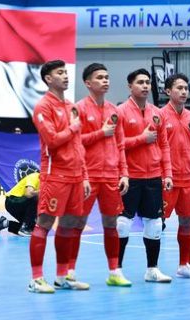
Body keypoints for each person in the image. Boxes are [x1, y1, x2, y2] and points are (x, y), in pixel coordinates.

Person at [29, 60, 92, 293]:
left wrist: (84, 176)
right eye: (60, 73)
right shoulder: (42, 107)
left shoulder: (71, 106)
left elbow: (79, 147)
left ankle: (62, 276)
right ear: (48, 78)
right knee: (44, 224)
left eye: (66, 72)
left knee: (68, 225)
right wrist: (74, 127)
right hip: (54, 175)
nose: (65, 76)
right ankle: (36, 279)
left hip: (76, 176)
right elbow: (53, 141)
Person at [75, 63, 132, 287]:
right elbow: (75, 143)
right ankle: (68, 271)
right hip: (88, 176)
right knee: (77, 224)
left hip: (110, 177)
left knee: (112, 224)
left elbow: (120, 145)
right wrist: (100, 133)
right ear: (88, 83)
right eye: (100, 77)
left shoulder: (114, 110)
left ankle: (114, 271)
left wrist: (124, 174)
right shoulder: (78, 109)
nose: (106, 81)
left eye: (107, 77)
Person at [117, 68, 173, 283]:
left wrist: (167, 173)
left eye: (148, 82)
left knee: (155, 224)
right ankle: (117, 270)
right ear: (130, 86)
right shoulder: (120, 112)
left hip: (153, 177)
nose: (145, 86)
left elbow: (164, 145)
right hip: (130, 177)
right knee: (123, 223)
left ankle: (152, 269)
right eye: (140, 82)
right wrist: (141, 138)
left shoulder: (157, 113)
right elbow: (117, 145)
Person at [160, 73, 190, 279]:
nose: (184, 92)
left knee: (187, 222)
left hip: (188, 180)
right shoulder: (159, 116)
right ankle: (153, 267)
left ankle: (184, 264)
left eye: (186, 88)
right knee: (158, 223)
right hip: (166, 180)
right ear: (168, 91)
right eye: (179, 88)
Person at [0, 171, 40, 237]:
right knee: (35, 198)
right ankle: (25, 227)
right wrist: (41, 192)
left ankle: (4, 223)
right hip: (12, 201)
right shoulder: (35, 176)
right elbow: (28, 194)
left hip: (22, 205)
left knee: (33, 229)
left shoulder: (46, 184)